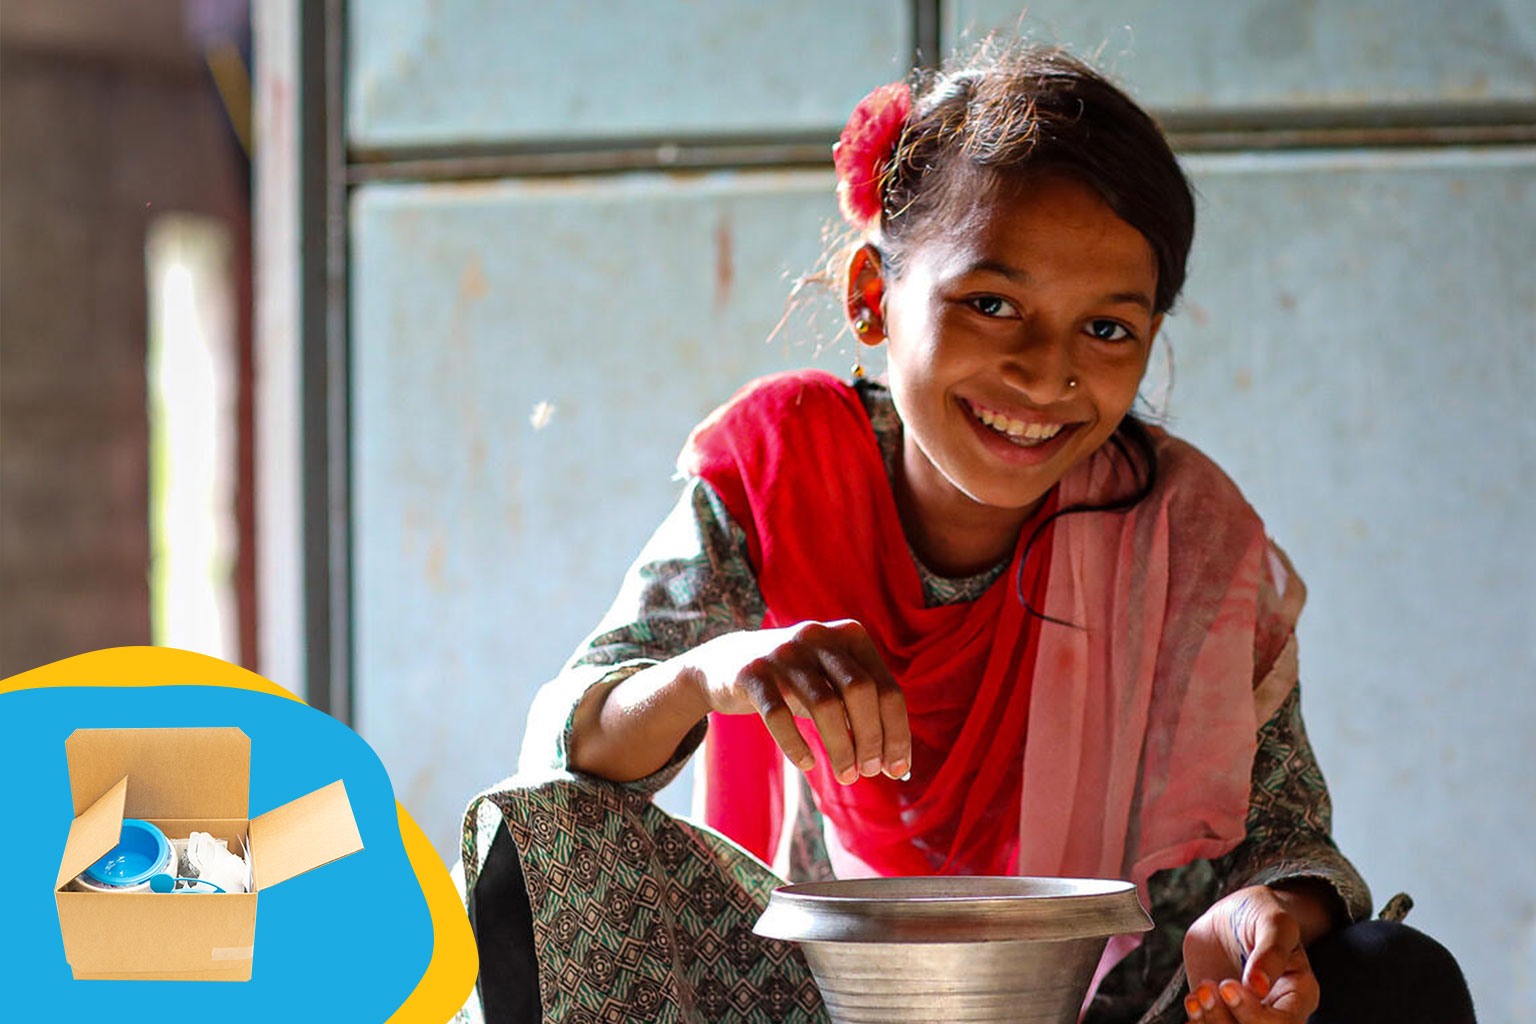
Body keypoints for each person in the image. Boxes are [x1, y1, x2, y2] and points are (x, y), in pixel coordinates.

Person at [458, 41, 1475, 1024]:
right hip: (826, 999)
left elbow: (1286, 830)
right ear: (873, 299)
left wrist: (1271, 920)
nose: (1048, 374)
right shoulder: (782, 472)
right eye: (993, 304)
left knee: (1393, 973)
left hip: (1133, 1004)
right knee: (543, 844)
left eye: (1108, 329)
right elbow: (569, 745)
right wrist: (712, 672)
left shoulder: (1187, 534)